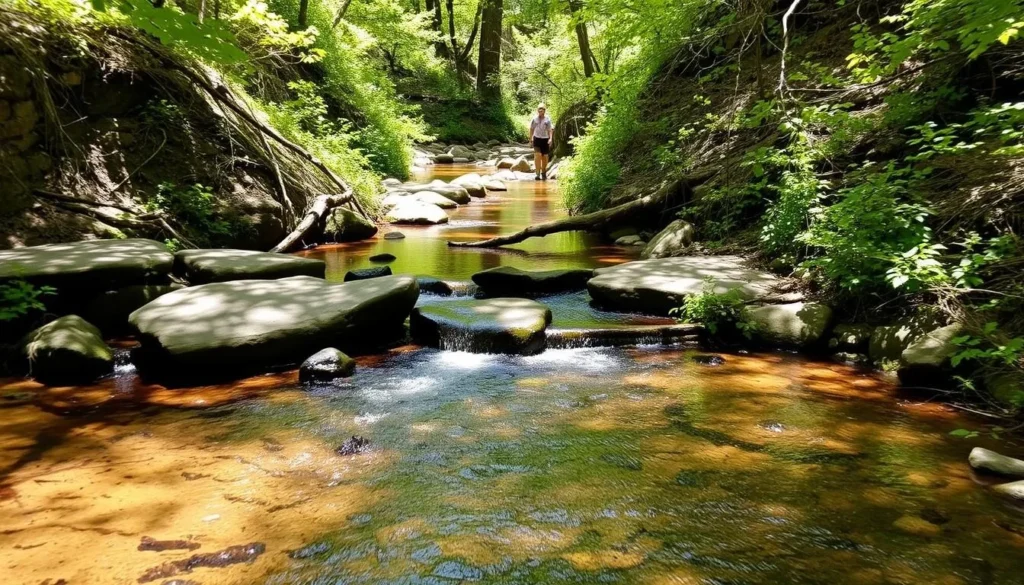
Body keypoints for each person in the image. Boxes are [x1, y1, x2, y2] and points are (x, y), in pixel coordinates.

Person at [529, 103, 554, 180]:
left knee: (545, 157)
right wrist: (530, 139)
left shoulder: (547, 119)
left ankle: (543, 172)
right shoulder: (534, 119)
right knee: (538, 155)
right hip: (536, 139)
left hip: (545, 139)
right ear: (537, 111)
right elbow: (531, 129)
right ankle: (537, 173)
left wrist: (550, 139)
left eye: (542, 110)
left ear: (544, 111)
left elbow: (550, 130)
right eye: (539, 110)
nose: (540, 111)